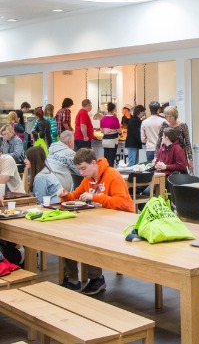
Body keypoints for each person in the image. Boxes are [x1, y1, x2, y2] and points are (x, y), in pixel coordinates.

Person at [57, 148, 134, 293]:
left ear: (93, 163)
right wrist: (65, 195)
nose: (81, 173)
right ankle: (73, 279)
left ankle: (96, 278)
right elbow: (75, 196)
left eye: (83, 168)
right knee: (67, 236)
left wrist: (95, 197)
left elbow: (124, 203)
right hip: (98, 220)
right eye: (79, 169)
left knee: (88, 237)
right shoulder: (88, 179)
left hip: (120, 221)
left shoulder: (112, 175)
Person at [156, 106, 194, 174]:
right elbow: (159, 140)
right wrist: (156, 156)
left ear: (175, 116)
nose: (168, 119)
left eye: (171, 116)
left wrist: (190, 159)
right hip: (168, 154)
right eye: (167, 116)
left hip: (180, 152)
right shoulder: (164, 124)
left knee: (181, 170)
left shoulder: (182, 125)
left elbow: (187, 142)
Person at [100, 102, 121, 168]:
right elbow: (118, 130)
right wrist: (120, 134)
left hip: (105, 140)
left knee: (106, 158)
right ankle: (110, 173)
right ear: (114, 109)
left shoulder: (102, 118)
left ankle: (105, 172)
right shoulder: (115, 119)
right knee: (111, 159)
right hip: (113, 141)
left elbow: (101, 130)